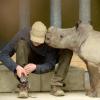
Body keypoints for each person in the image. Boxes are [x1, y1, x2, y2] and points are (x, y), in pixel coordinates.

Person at [0, 21, 73, 98]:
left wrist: (36, 67)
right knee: (21, 43)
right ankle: (23, 83)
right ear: (30, 33)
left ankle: (56, 85)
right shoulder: (23, 34)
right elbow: (3, 54)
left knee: (67, 50)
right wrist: (16, 67)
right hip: (28, 60)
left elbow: (50, 64)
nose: (37, 43)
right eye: (34, 40)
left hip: (44, 61)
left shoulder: (50, 37)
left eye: (39, 41)